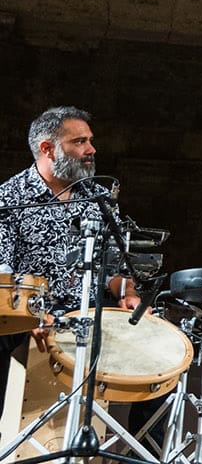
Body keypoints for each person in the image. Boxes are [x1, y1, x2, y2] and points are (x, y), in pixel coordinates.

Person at [0, 106, 164, 445]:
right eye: (80, 141)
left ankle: (141, 452)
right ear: (47, 149)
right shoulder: (9, 198)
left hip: (88, 314)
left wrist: (128, 294)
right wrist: (30, 317)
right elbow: (3, 274)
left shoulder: (98, 198)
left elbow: (115, 267)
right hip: (26, 316)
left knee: (159, 347)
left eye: (90, 140)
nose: (91, 149)